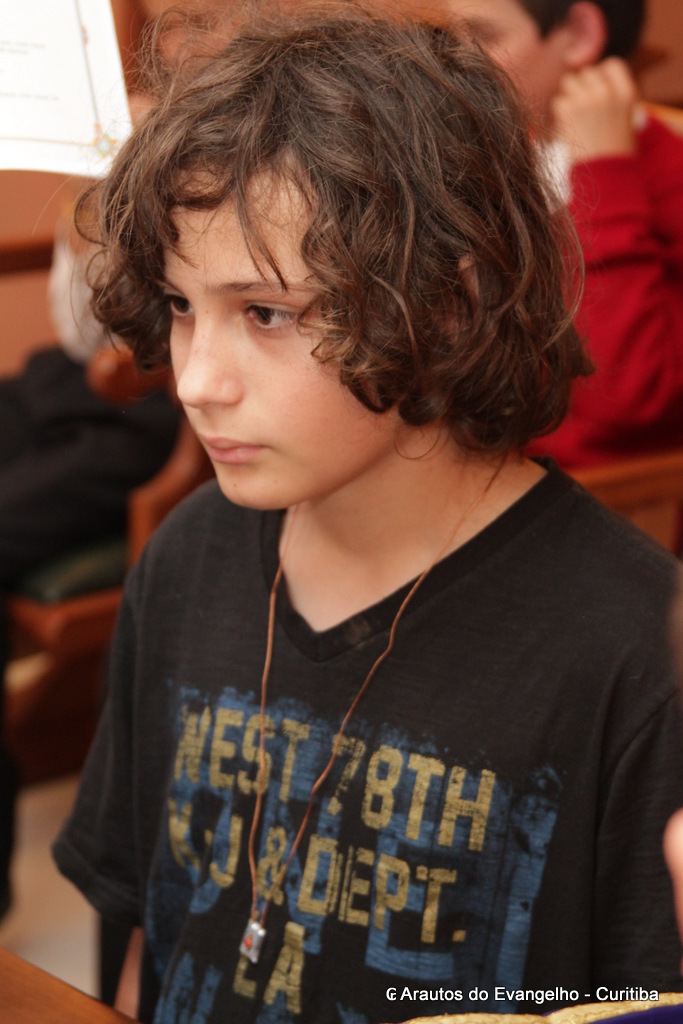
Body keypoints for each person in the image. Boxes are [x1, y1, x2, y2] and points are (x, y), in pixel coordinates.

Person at [53, 9, 683, 1022]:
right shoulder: (187, 559)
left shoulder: (632, 648)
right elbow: (146, 931)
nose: (196, 380)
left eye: (265, 312)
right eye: (180, 306)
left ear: (445, 303)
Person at [425, 0, 683, 470]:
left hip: (599, 492)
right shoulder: (498, 154)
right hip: (471, 467)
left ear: (580, 35)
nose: (456, 60)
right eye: (453, 36)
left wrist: (604, 170)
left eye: (483, 37)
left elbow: (625, 399)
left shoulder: (666, 177)